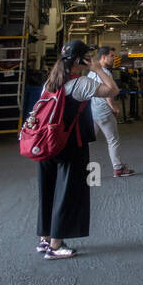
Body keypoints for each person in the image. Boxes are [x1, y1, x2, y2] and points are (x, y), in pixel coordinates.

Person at [37, 40, 118, 259]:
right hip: (70, 144)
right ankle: (55, 245)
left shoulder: (51, 81)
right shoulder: (80, 84)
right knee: (68, 193)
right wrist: (98, 69)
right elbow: (113, 89)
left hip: (46, 143)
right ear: (80, 60)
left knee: (49, 191)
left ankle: (45, 239)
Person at [88, 46, 134, 178]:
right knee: (113, 140)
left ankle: (78, 165)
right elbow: (109, 92)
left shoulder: (91, 73)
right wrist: (113, 106)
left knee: (89, 140)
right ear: (103, 57)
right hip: (103, 111)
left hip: (93, 111)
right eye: (112, 56)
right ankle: (118, 168)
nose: (114, 58)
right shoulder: (105, 73)